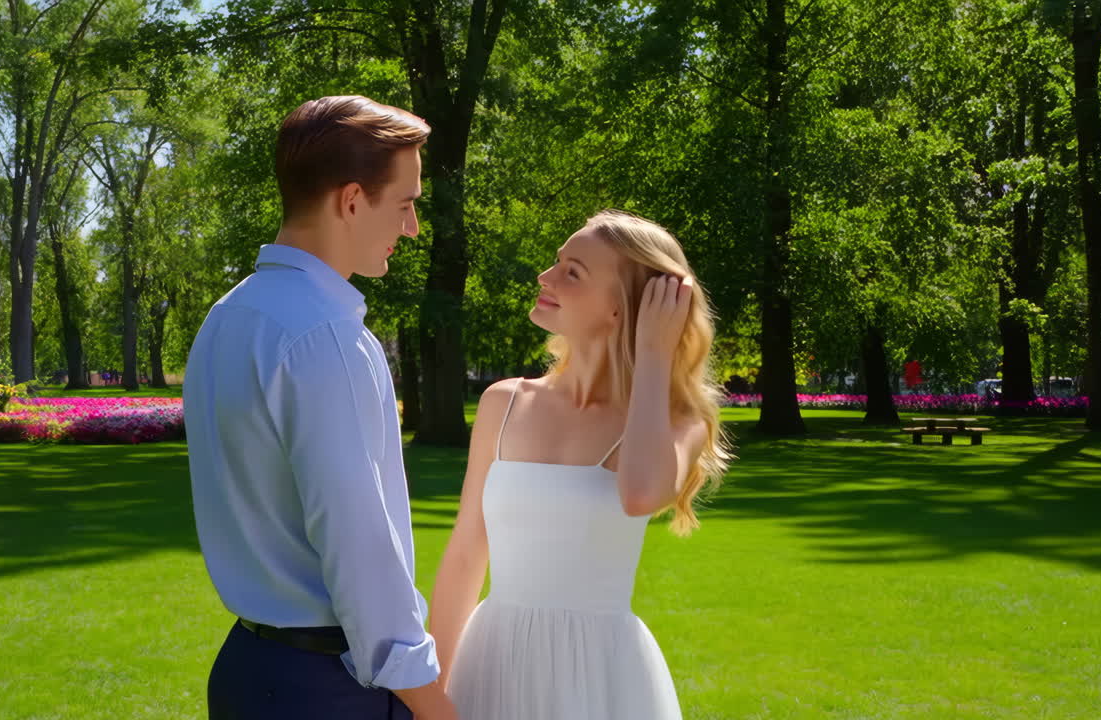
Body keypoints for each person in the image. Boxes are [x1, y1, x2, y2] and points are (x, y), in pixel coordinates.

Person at [183, 96, 457, 720]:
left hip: (249, 672)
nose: (412, 227)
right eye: (406, 204)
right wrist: (434, 706)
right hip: (328, 688)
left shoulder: (228, 318)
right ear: (353, 200)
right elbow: (360, 551)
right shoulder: (326, 338)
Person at [429, 209, 733, 719]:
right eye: (556, 263)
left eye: (573, 272)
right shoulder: (503, 403)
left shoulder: (679, 423)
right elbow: (465, 552)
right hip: (490, 666)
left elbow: (639, 495)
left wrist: (654, 354)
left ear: (621, 309)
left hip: (601, 679)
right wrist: (431, 691)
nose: (545, 278)